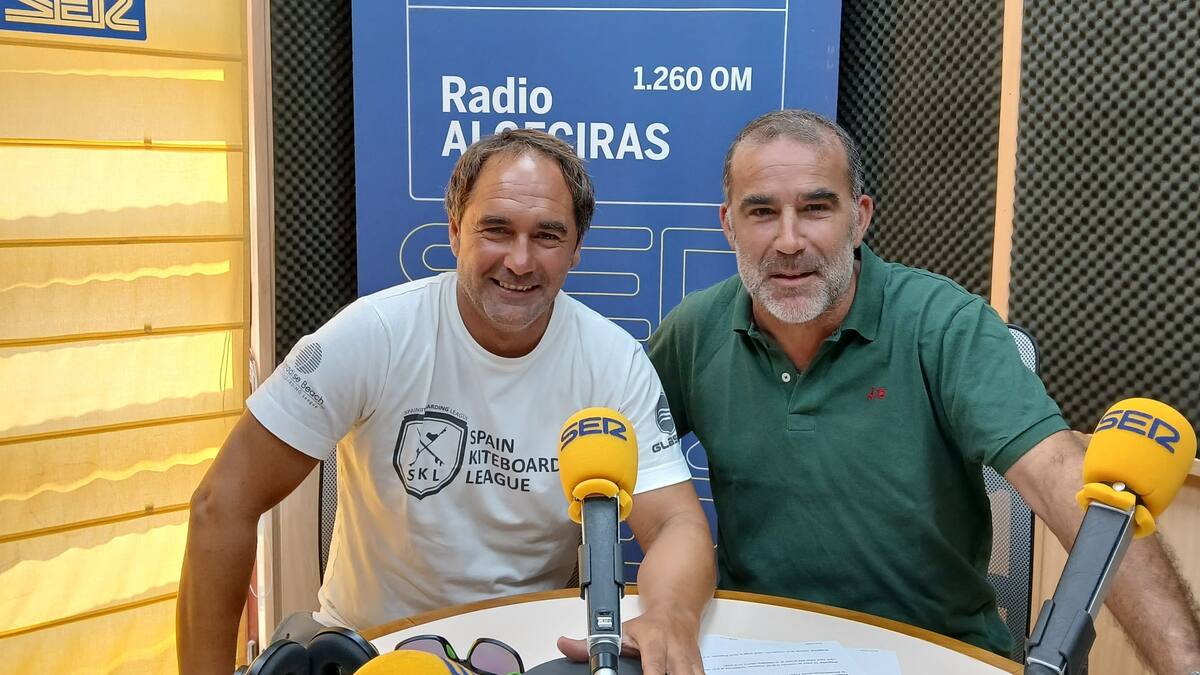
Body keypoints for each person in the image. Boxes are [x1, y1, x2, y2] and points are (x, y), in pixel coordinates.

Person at [647, 109, 1200, 672]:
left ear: (860, 218)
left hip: (932, 652)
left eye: (816, 208)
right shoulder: (694, 332)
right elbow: (617, 452)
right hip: (752, 648)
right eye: (762, 212)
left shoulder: (946, 326)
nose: (789, 241)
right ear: (729, 224)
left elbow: (1065, 481)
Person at [178, 129, 715, 675]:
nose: (520, 260)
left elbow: (675, 525)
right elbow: (222, 504)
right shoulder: (374, 334)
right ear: (456, 230)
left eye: (547, 236)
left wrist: (671, 615)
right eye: (496, 229)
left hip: (529, 655)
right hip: (372, 655)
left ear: (576, 249)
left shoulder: (612, 361)